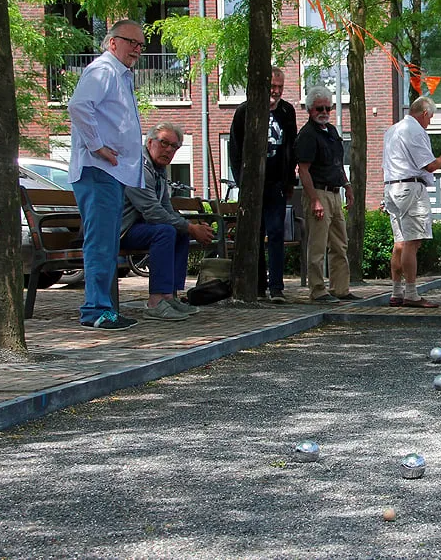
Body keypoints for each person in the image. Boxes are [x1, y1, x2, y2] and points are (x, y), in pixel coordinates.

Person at [67, 19, 146, 331]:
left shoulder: (119, 74)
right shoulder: (103, 70)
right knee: (101, 243)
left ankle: (104, 309)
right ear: (113, 42)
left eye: (141, 45)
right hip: (98, 170)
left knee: (107, 242)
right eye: (132, 43)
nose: (138, 50)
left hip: (110, 172)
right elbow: (78, 107)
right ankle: (96, 311)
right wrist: (98, 146)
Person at [120, 123, 216, 321]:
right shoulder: (137, 167)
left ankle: (169, 296)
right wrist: (191, 227)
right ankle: (155, 303)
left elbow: (166, 207)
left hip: (140, 227)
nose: (169, 150)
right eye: (164, 143)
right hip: (120, 230)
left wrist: (189, 228)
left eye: (174, 147)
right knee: (165, 231)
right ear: (150, 142)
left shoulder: (160, 170)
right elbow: (153, 212)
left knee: (178, 231)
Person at [228, 67, 297, 303]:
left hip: (277, 183)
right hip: (252, 186)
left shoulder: (287, 111)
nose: (276, 92)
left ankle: (276, 288)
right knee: (254, 234)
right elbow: (235, 150)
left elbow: (292, 147)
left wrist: (289, 180)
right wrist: (242, 183)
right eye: (272, 87)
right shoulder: (245, 111)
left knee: (277, 232)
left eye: (279, 87)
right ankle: (256, 286)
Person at [382, 96, 441, 308]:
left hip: (391, 188)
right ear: (424, 113)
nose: (430, 122)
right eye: (430, 117)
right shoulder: (415, 130)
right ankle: (411, 293)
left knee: (400, 242)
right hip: (410, 188)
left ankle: (396, 291)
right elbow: (429, 165)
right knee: (413, 242)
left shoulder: (392, 130)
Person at [295, 87, 358, 304]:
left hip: (334, 192)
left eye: (327, 108)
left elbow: (338, 164)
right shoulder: (307, 135)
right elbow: (303, 170)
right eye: (319, 108)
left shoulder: (331, 132)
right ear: (310, 110)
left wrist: (347, 185)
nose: (324, 112)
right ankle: (317, 290)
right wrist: (314, 200)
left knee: (340, 243)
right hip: (318, 192)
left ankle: (340, 288)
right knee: (318, 245)